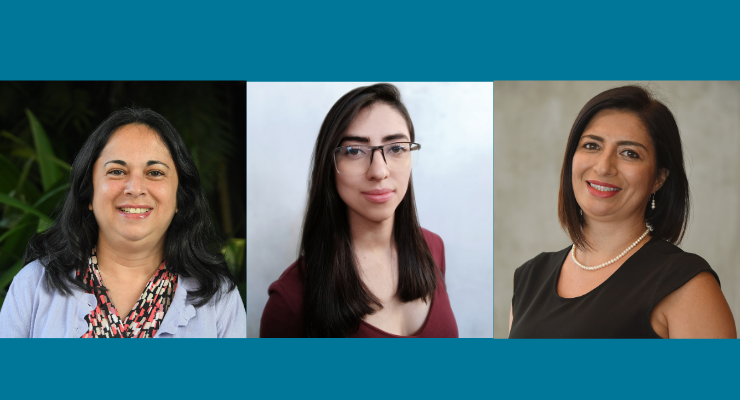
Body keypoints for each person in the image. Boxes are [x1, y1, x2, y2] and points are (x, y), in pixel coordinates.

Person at [509, 86, 736, 338]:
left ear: (658, 178)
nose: (604, 167)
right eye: (592, 146)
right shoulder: (529, 277)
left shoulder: (686, 283)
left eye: (629, 153)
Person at [0, 108, 246, 338]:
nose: (135, 188)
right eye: (117, 171)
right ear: (89, 193)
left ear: (180, 197)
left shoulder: (218, 298)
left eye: (155, 173)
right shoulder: (33, 285)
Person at [260, 83, 458, 337]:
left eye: (396, 148)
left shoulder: (433, 248)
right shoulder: (290, 302)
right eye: (354, 151)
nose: (379, 171)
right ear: (329, 165)